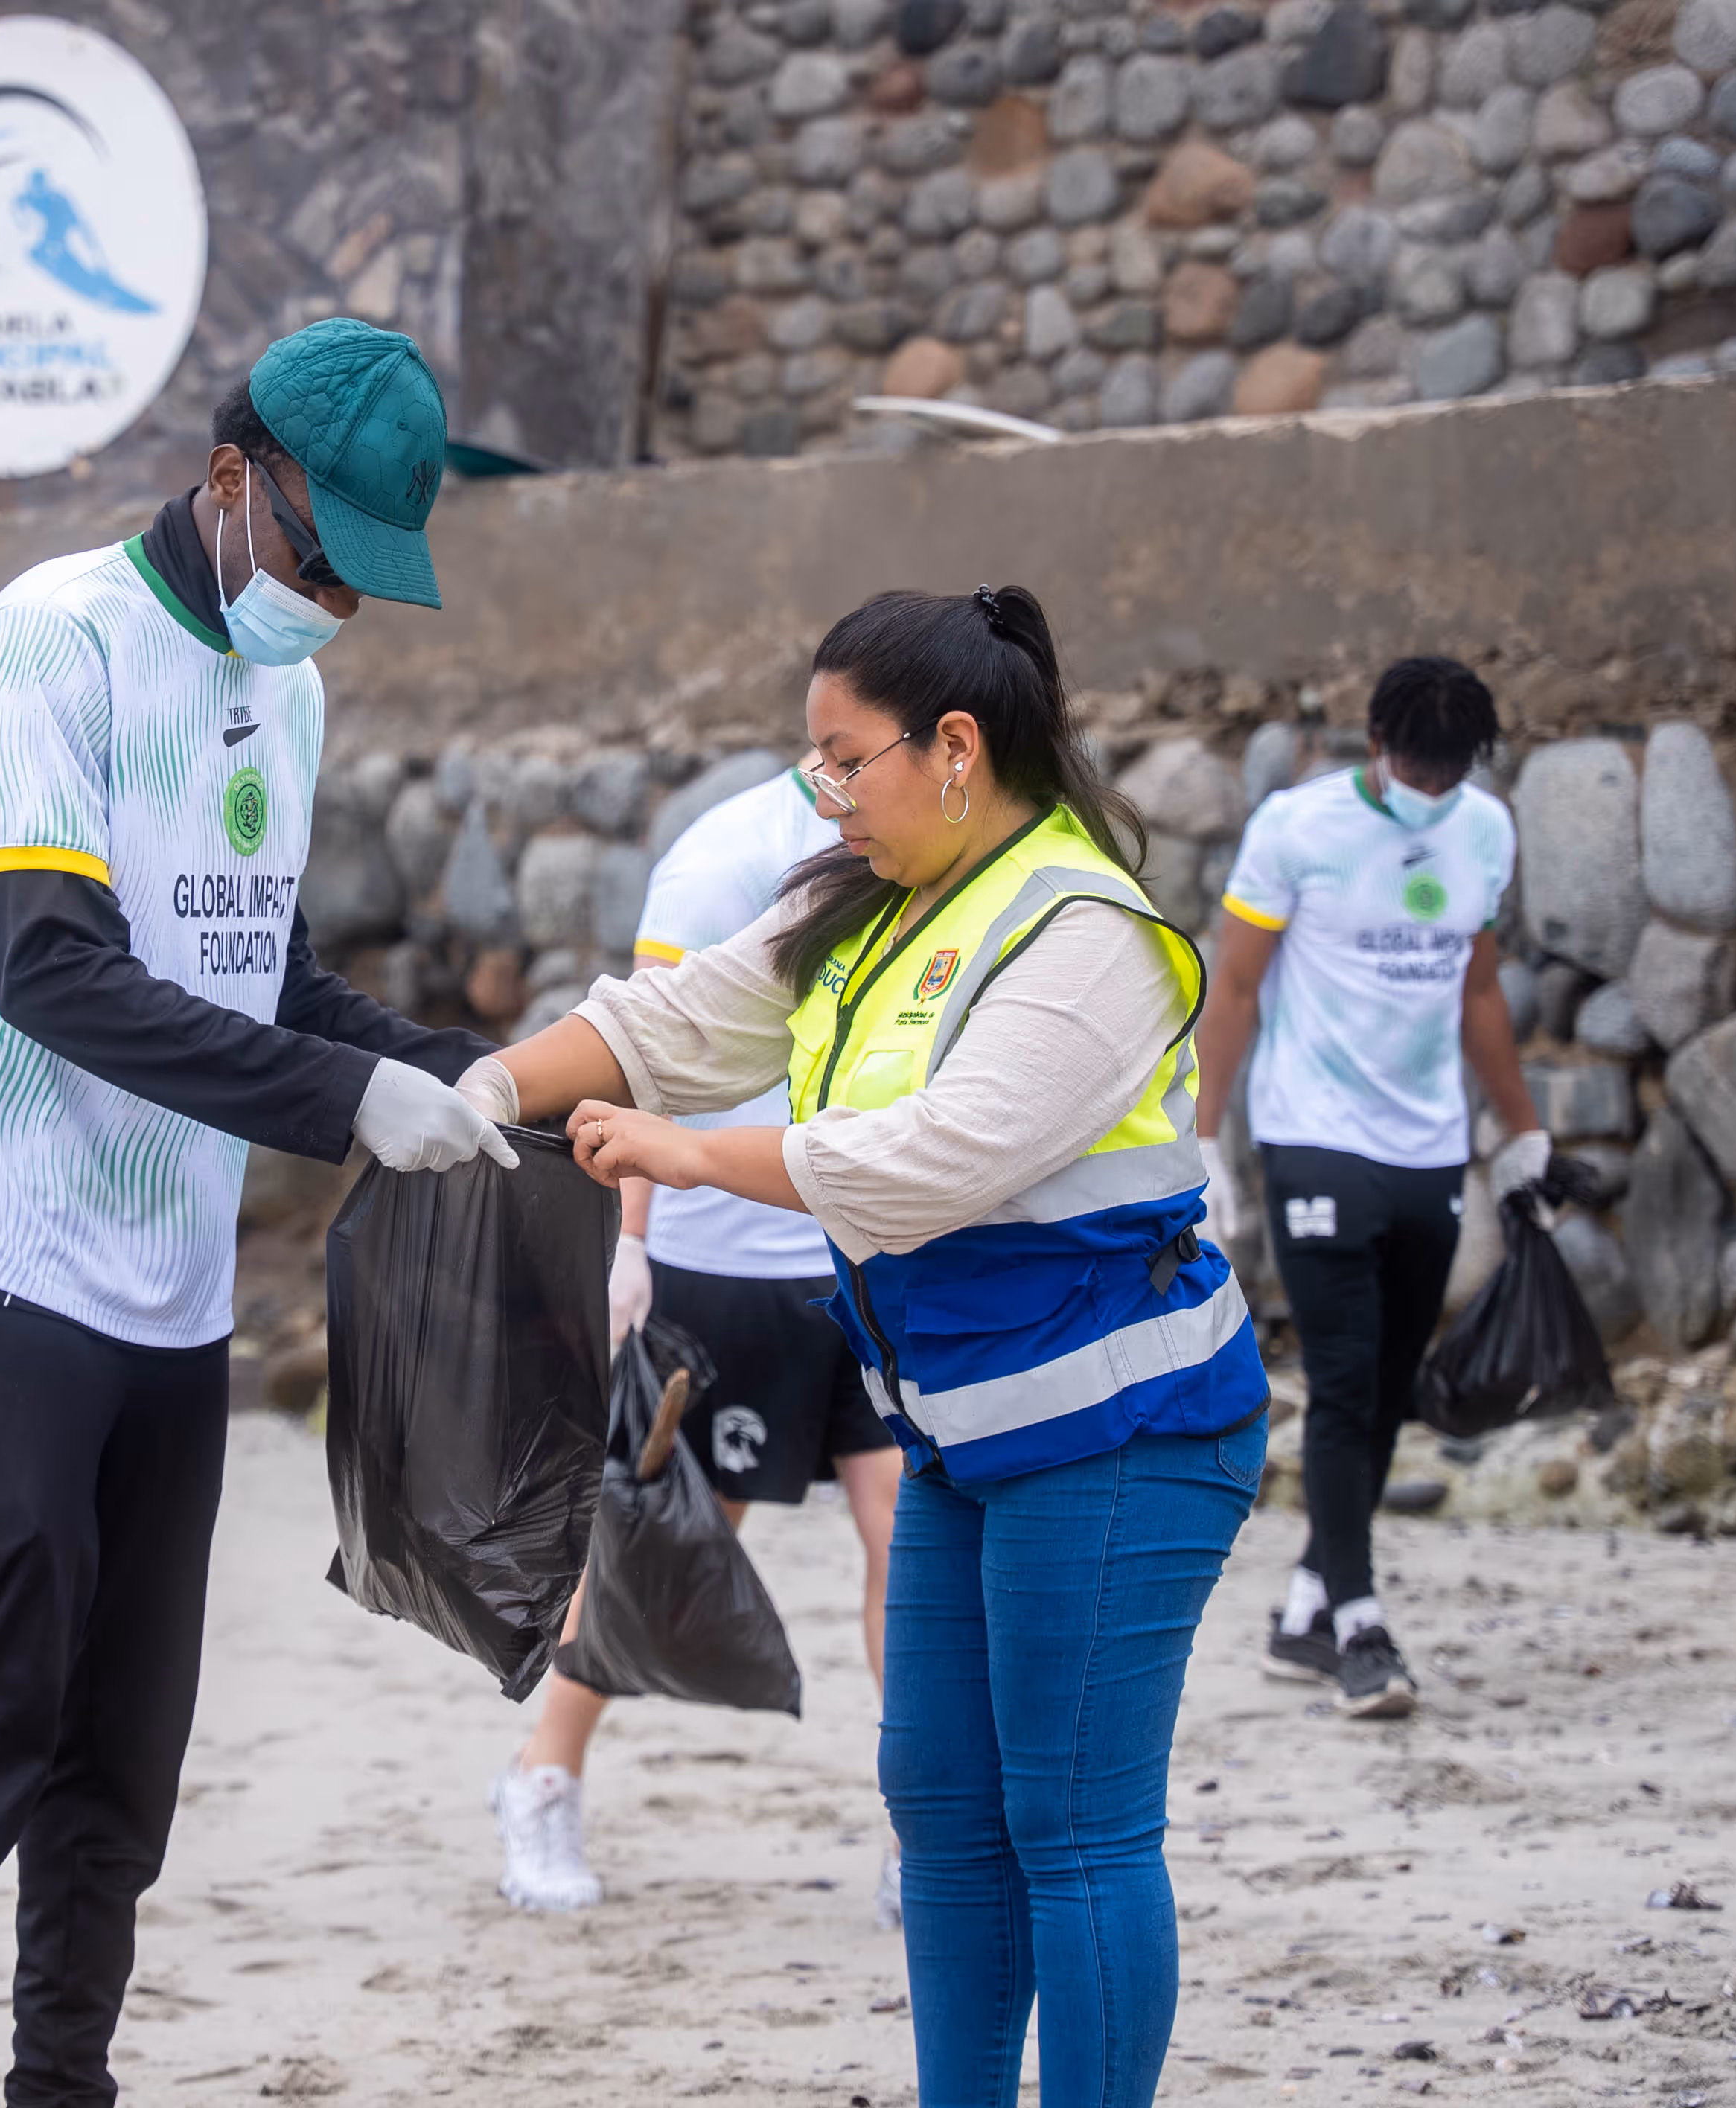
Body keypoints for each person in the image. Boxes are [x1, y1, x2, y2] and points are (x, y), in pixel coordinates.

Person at [0, 319, 512, 2108]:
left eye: (368, 583)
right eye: (317, 561)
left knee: (122, 1748)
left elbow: (262, 975)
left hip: (168, 1292)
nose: (333, 606)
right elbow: (53, 971)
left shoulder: (281, 685)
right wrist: (346, 1105)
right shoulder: (48, 638)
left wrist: (467, 1070)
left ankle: (66, 2083)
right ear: (230, 481)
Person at [469, 587, 1269, 2108]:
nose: (822, 794)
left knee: (1075, 1823)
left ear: (953, 746)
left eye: (842, 761)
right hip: (963, 1426)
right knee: (941, 1805)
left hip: (1123, 1435)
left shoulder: (1087, 929)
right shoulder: (865, 892)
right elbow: (677, 1020)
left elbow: (931, 1160)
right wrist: (471, 1093)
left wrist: (693, 1162)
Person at [487, 760, 907, 1925]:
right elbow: (644, 1053)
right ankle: (542, 1777)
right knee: (661, 1552)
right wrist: (630, 1245)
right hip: (723, 1270)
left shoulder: (928, 845)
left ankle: (916, 1831)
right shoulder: (723, 855)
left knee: (906, 1546)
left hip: (864, 1260)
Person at [1195, 656, 1548, 1721]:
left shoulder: (1483, 830)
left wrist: (1521, 1133)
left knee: (1389, 1386)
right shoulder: (1297, 829)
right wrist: (1203, 1139)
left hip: (1429, 1146)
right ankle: (1360, 1624)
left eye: (1450, 773)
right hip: (1313, 1137)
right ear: (1378, 745)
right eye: (1415, 768)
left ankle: (1305, 1602)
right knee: (1346, 1381)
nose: (1430, 790)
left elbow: (1478, 987)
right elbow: (1240, 985)